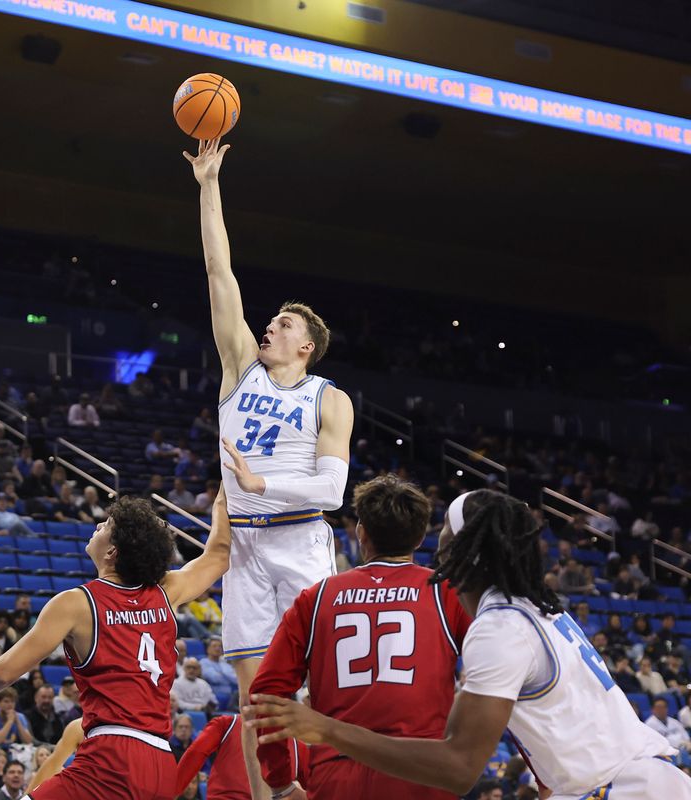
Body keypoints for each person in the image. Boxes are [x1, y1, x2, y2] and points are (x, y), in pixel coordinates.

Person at [244, 489, 691, 800]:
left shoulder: (500, 627)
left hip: (615, 787)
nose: (435, 562)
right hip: (631, 778)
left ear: (465, 556)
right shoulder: (537, 607)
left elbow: (459, 767)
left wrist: (324, 731)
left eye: (443, 549)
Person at [187, 137, 353, 799]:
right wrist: (208, 182)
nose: (269, 329)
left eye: (282, 325)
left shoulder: (328, 397)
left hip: (306, 538)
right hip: (250, 550)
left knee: (324, 692)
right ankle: (274, 797)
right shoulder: (238, 372)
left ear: (305, 346)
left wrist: (262, 484)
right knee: (256, 699)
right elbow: (217, 271)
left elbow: (336, 490)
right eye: (272, 321)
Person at [0, 493, 233, 800]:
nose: (99, 524)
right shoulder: (166, 591)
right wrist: (224, 492)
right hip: (161, 761)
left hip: (111, 758)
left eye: (107, 525)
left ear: (113, 552)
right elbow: (218, 555)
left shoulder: (76, 604)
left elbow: (2, 674)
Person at [242, 475, 471, 799]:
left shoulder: (316, 597)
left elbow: (265, 693)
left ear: (361, 533)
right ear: (421, 538)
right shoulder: (446, 593)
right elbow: (497, 670)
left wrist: (280, 782)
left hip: (338, 772)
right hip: (420, 770)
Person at [175, 715, 308, 800]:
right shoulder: (297, 747)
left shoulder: (227, 723)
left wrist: (171, 792)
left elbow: (195, 754)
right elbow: (319, 791)